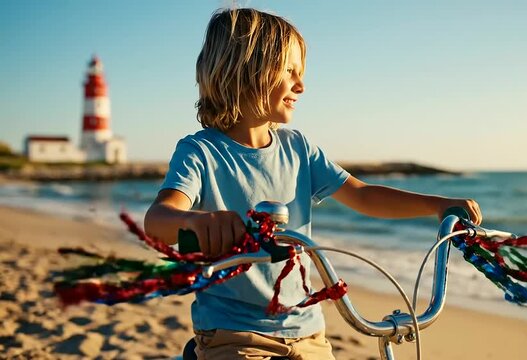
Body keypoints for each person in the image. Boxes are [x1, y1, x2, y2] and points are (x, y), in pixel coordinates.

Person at [144, 7, 482, 360]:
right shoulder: (201, 151)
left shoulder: (299, 148)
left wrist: (437, 205)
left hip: (308, 330)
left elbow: (363, 195)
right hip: (234, 333)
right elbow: (158, 220)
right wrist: (196, 222)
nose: (301, 85)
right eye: (290, 72)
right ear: (247, 70)